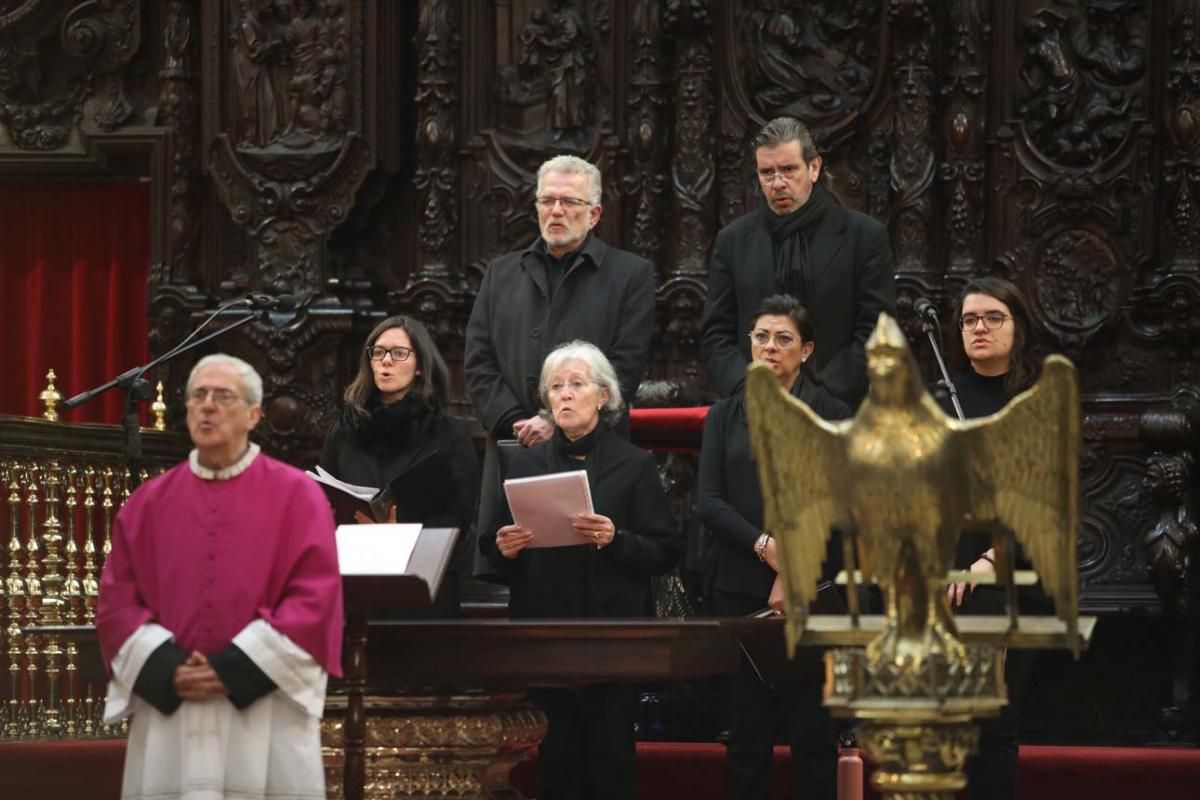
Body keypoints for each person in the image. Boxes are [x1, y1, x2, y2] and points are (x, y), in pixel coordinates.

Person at [95, 354, 343, 800]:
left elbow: (315, 595)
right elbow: (117, 601)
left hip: (262, 703)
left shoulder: (297, 497)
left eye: (222, 396)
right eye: (197, 396)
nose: (207, 406)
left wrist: (235, 669)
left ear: (253, 414)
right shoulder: (147, 504)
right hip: (173, 703)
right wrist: (166, 668)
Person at [478, 341, 682, 800]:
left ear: (603, 396)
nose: (565, 395)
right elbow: (490, 542)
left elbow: (667, 550)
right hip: (547, 634)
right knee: (559, 758)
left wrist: (617, 538)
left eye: (576, 384)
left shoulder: (634, 465)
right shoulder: (526, 464)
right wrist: (504, 547)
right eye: (556, 387)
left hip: (613, 637)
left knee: (610, 758)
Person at [465, 154, 657, 575]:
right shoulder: (501, 274)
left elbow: (625, 364)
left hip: (599, 455)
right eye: (547, 200)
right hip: (518, 450)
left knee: (591, 570)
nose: (556, 211)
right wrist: (517, 420)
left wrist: (555, 418)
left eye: (569, 202)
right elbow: (478, 362)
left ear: (595, 214)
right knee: (523, 570)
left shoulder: (630, 275)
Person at [698, 295, 851, 800]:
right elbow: (709, 501)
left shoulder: (833, 413)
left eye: (783, 338)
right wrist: (766, 546)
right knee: (746, 736)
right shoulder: (726, 414)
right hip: (739, 586)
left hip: (815, 589)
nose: (769, 347)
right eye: (761, 336)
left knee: (813, 736)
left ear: (806, 350)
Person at [702, 115, 896, 407]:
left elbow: (876, 331)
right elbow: (717, 333)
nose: (778, 183)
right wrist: (750, 388)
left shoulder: (864, 237)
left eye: (789, 169)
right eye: (767, 172)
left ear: (814, 167)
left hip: (838, 411)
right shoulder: (734, 240)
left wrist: (822, 394)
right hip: (754, 409)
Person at [940, 276, 1048, 800]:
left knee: (990, 730)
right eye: (969, 320)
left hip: (1007, 579)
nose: (979, 328)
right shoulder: (942, 400)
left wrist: (993, 558)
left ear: (1017, 327)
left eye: (992, 318)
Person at [320, 315, 480, 616]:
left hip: (425, 581)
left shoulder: (449, 433)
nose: (386, 361)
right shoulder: (344, 431)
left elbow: (461, 515)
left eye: (398, 353)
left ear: (420, 365)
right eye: (377, 352)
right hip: (358, 577)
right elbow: (324, 501)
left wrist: (401, 531)